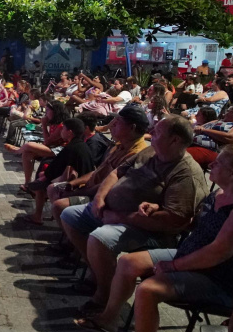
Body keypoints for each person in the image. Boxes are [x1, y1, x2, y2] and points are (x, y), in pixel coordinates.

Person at [81, 146, 233, 332]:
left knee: (149, 290)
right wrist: (157, 208)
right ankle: (109, 319)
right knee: (129, 263)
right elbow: (195, 222)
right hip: (190, 256)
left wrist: (171, 267)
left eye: (219, 163)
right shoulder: (219, 195)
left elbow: (216, 253)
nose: (212, 165)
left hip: (220, 278)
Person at [60, 116, 209, 315]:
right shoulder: (151, 151)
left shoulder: (186, 174)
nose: (151, 133)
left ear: (175, 140)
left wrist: (119, 217)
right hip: (112, 212)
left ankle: (104, 293)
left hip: (147, 228)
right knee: (69, 215)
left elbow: (174, 220)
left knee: (100, 238)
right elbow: (116, 173)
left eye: (157, 131)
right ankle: (99, 274)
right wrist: (100, 198)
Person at [42, 105, 151, 227]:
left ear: (132, 128)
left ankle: (71, 239)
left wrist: (77, 192)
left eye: (118, 122)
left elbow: (109, 185)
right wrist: (73, 184)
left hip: (103, 198)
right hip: (91, 188)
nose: (112, 124)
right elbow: (97, 171)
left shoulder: (136, 154)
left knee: (59, 205)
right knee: (53, 188)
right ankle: (68, 232)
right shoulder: (119, 145)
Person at [5, 100, 72, 185]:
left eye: (48, 110)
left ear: (55, 112)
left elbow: (47, 141)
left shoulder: (61, 126)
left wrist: (43, 125)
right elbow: (47, 141)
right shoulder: (54, 123)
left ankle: (18, 150)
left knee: (29, 145)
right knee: (27, 153)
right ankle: (27, 182)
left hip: (60, 150)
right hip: (52, 147)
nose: (46, 113)